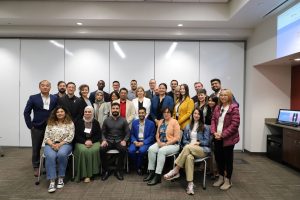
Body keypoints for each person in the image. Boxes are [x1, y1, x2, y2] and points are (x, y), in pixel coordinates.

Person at [164, 108, 211, 195]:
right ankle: (190, 184)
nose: (196, 115)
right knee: (189, 157)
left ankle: (176, 169)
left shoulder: (205, 127)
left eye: (198, 114)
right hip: (189, 150)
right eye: (195, 113)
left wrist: (198, 142)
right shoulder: (188, 126)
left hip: (201, 150)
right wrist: (189, 144)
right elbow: (184, 141)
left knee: (188, 147)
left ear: (201, 116)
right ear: (192, 115)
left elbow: (207, 142)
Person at [24, 80, 57, 177]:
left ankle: (47, 165)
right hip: (37, 127)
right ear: (39, 87)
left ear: (50, 88)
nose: (45, 87)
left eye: (47, 86)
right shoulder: (33, 98)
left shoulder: (54, 98)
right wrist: (30, 126)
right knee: (36, 147)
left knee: (50, 147)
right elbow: (26, 112)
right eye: (43, 85)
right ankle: (36, 166)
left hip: (51, 127)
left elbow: (57, 112)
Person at [211, 89, 240, 190]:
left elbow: (234, 125)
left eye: (225, 95)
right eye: (221, 95)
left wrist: (222, 135)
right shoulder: (218, 107)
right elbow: (213, 120)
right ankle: (221, 177)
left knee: (228, 160)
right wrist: (214, 132)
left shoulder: (234, 108)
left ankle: (228, 180)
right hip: (217, 137)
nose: (223, 97)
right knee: (219, 159)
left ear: (229, 97)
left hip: (228, 139)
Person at [144, 107, 180, 186]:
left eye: (168, 112)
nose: (166, 114)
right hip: (161, 143)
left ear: (171, 113)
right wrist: (159, 141)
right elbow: (157, 134)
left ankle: (158, 176)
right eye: (164, 112)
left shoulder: (175, 122)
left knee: (161, 151)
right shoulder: (160, 121)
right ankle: (151, 172)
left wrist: (166, 144)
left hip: (173, 145)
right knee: (151, 149)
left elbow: (177, 138)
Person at [43, 106, 74, 193]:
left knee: (62, 154)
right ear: (55, 114)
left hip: (65, 143)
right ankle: (52, 181)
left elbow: (70, 137)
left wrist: (60, 144)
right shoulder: (50, 123)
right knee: (50, 155)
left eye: (62, 111)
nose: (60, 113)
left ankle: (61, 177)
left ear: (65, 113)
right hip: (51, 144)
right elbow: (46, 137)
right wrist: (52, 144)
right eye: (58, 112)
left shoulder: (70, 123)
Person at [100, 102, 130, 181]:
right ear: (111, 110)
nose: (115, 110)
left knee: (123, 149)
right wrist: (103, 140)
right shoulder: (106, 120)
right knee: (102, 149)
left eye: (117, 108)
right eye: (113, 108)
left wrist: (124, 140)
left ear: (119, 109)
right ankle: (106, 171)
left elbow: (128, 132)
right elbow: (103, 132)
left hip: (119, 141)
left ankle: (118, 171)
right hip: (108, 141)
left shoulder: (123, 120)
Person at [74, 106, 101, 183]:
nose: (87, 113)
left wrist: (91, 141)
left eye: (89, 112)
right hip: (81, 142)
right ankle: (84, 174)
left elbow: (98, 135)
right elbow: (76, 135)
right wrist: (84, 141)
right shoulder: (78, 122)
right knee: (83, 151)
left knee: (94, 150)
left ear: (92, 113)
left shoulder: (96, 122)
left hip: (94, 141)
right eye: (86, 112)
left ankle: (92, 173)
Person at [128, 107, 155, 175]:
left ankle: (139, 167)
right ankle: (138, 165)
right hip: (136, 141)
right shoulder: (134, 123)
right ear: (138, 114)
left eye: (142, 113)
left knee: (142, 151)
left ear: (145, 113)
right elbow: (132, 134)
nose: (141, 114)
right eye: (139, 113)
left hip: (145, 142)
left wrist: (143, 142)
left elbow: (152, 136)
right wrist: (134, 141)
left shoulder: (151, 123)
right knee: (131, 151)